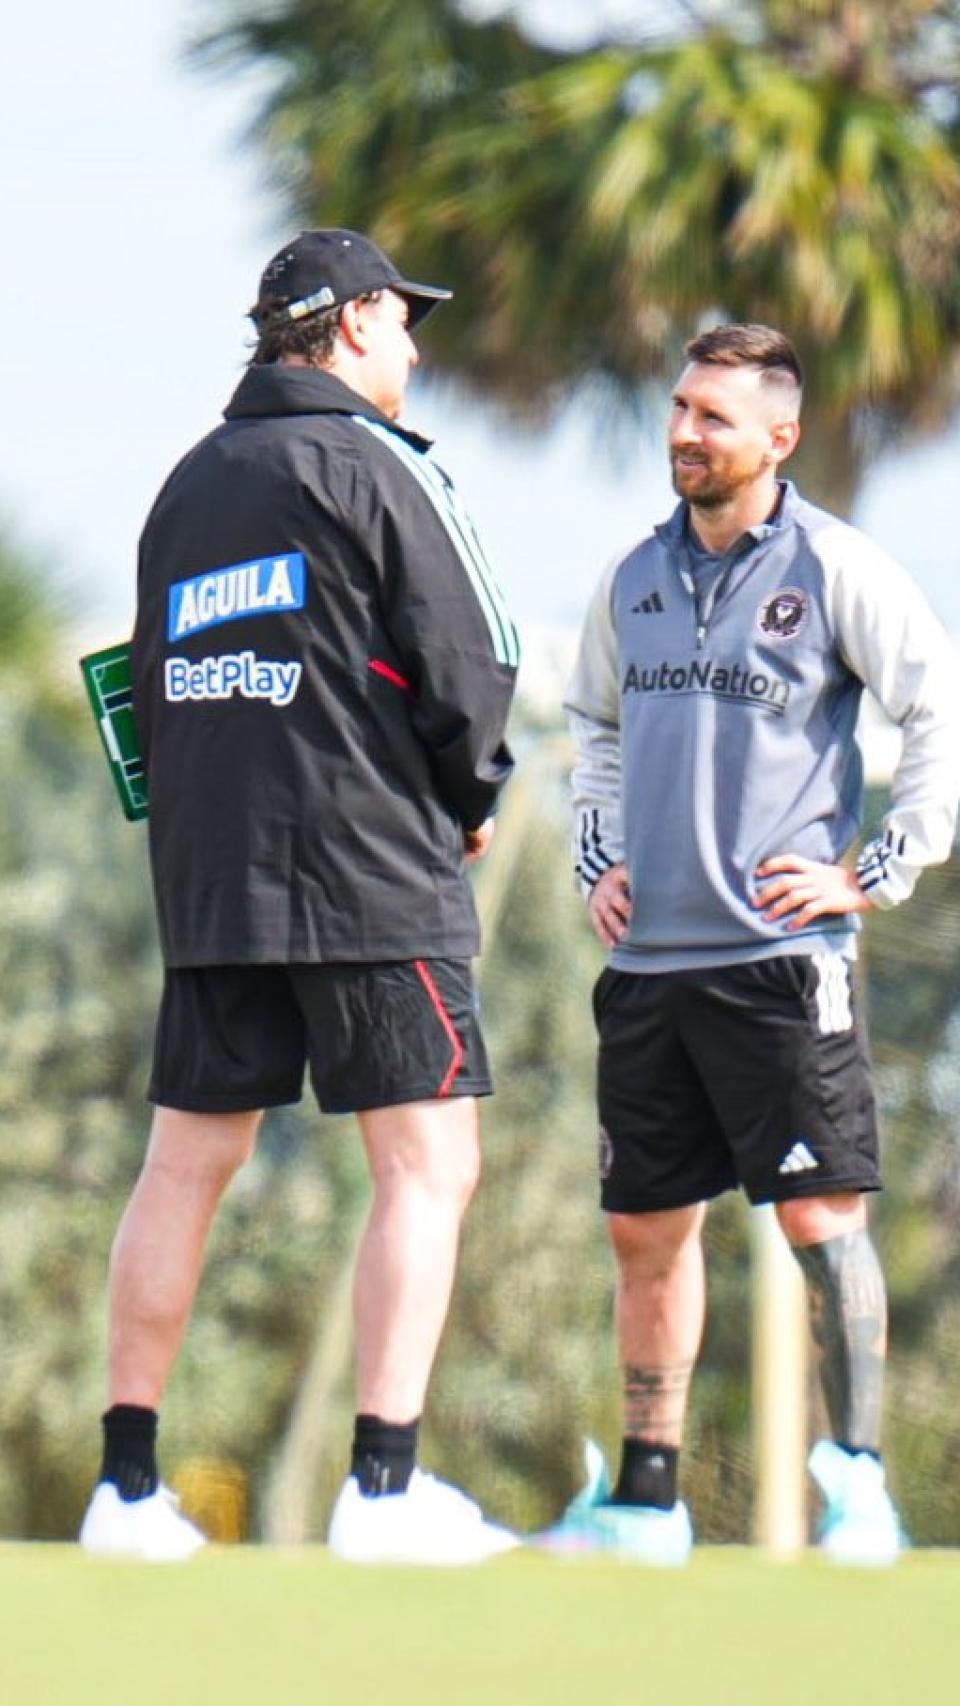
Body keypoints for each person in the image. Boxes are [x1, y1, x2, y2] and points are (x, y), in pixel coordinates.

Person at [79, 229, 520, 1564]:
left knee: (184, 1160)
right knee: (430, 1162)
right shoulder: (381, 462)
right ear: (358, 320)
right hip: (372, 865)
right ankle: (383, 1489)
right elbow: (472, 657)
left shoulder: (186, 483)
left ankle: (124, 1488)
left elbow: (143, 685)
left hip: (215, 876)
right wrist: (476, 793)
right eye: (405, 322)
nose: (415, 351)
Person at [556, 323, 959, 1565]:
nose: (686, 431)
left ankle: (860, 1491)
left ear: (779, 437)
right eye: (681, 407)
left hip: (784, 966)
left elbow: (939, 706)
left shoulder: (837, 566)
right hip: (648, 970)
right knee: (646, 1230)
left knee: (821, 1221)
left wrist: (875, 871)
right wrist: (597, 857)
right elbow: (592, 726)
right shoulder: (631, 576)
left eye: (713, 416)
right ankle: (647, 1499)